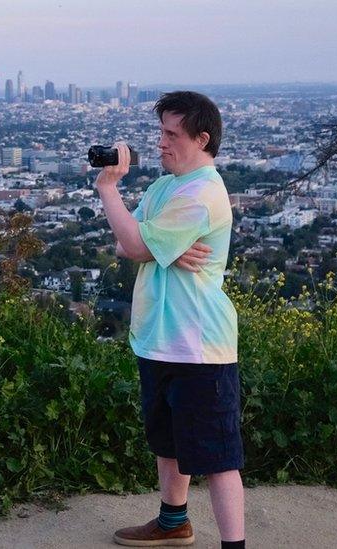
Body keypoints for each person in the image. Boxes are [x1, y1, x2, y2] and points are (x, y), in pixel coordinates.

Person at [94, 91, 245, 548]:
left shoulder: (203, 192)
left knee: (219, 457)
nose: (160, 142)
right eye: (160, 131)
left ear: (201, 139)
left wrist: (108, 188)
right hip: (158, 338)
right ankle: (173, 521)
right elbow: (126, 243)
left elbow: (137, 246)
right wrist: (164, 248)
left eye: (171, 134)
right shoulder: (165, 187)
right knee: (168, 443)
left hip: (200, 344)